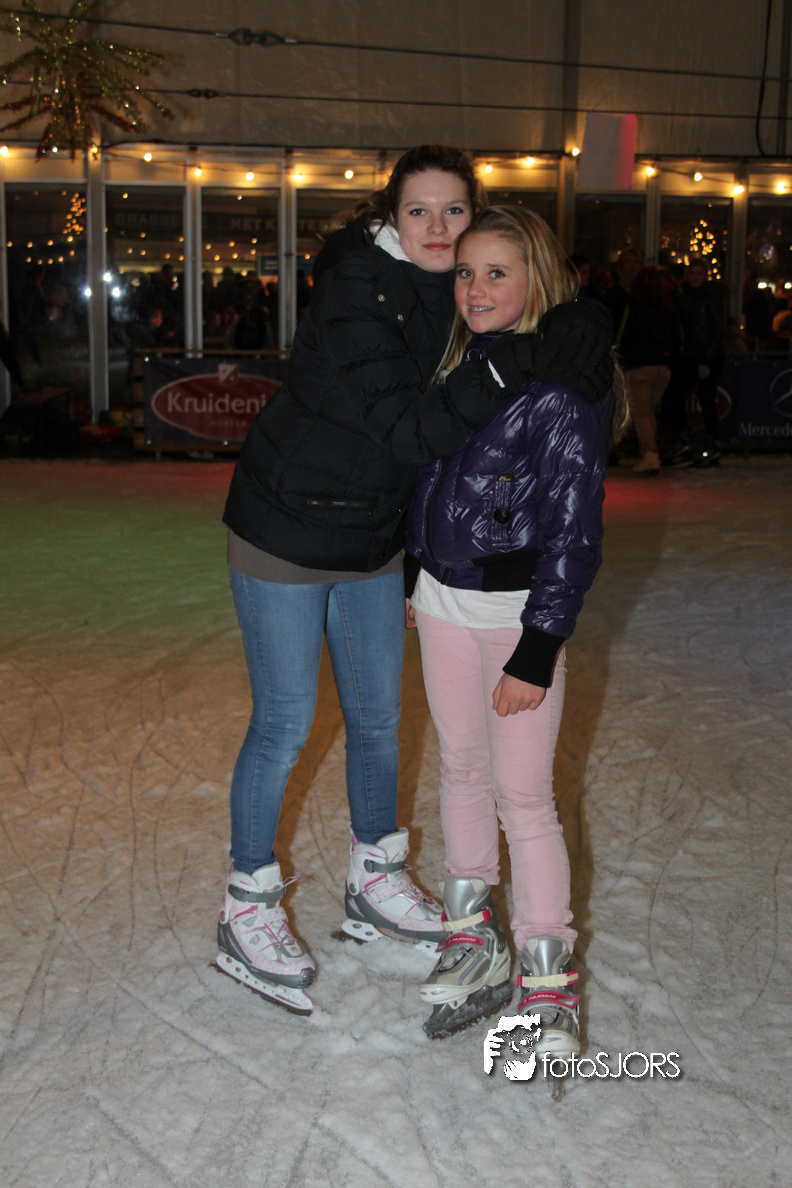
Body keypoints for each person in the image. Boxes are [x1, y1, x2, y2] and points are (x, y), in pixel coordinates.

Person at [218, 149, 614, 1016]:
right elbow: (411, 433)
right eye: (418, 212)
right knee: (289, 722)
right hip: (291, 523)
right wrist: (524, 356)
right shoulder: (357, 287)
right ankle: (247, 902)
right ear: (387, 217)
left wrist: (578, 323)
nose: (439, 232)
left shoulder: (461, 304)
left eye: (455, 213)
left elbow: (522, 296)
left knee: (384, 723)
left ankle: (382, 879)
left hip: (386, 546)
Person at [404, 206, 624, 1057]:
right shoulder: (462, 367)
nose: (475, 289)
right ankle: (473, 936)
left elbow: (574, 533)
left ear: (539, 279)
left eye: (496, 272)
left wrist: (539, 648)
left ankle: (546, 974)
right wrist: (418, 576)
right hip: (443, 604)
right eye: (465, 272)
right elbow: (430, 479)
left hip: (513, 618)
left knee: (524, 799)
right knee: (460, 769)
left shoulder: (558, 394)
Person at [618, 265, 681, 474]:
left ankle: (650, 455)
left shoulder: (635, 306)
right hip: (663, 366)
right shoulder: (668, 306)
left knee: (641, 414)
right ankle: (649, 453)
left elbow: (625, 335)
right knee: (650, 412)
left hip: (639, 365)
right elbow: (677, 337)